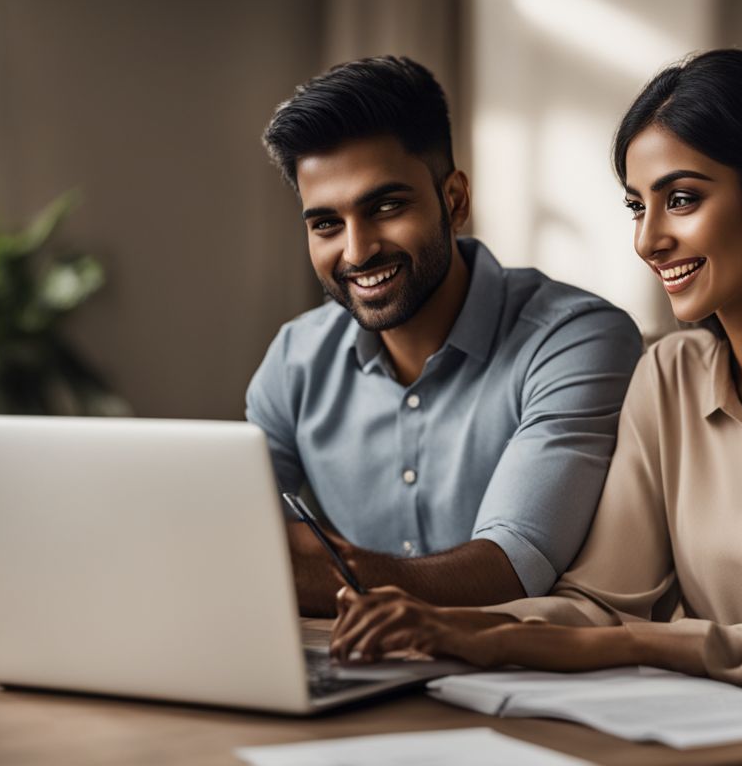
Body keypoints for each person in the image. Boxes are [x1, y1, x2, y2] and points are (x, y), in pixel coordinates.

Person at [330, 49, 742, 689]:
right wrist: (459, 628)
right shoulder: (668, 376)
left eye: (680, 198)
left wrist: (621, 644)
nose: (648, 239)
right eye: (637, 204)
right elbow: (601, 602)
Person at [251, 57, 642, 616]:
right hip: (361, 674)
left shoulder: (576, 339)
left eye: (386, 207)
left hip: (528, 682)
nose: (357, 251)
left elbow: (512, 568)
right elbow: (229, 532)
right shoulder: (296, 358)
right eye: (326, 224)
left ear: (454, 200)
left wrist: (337, 570)